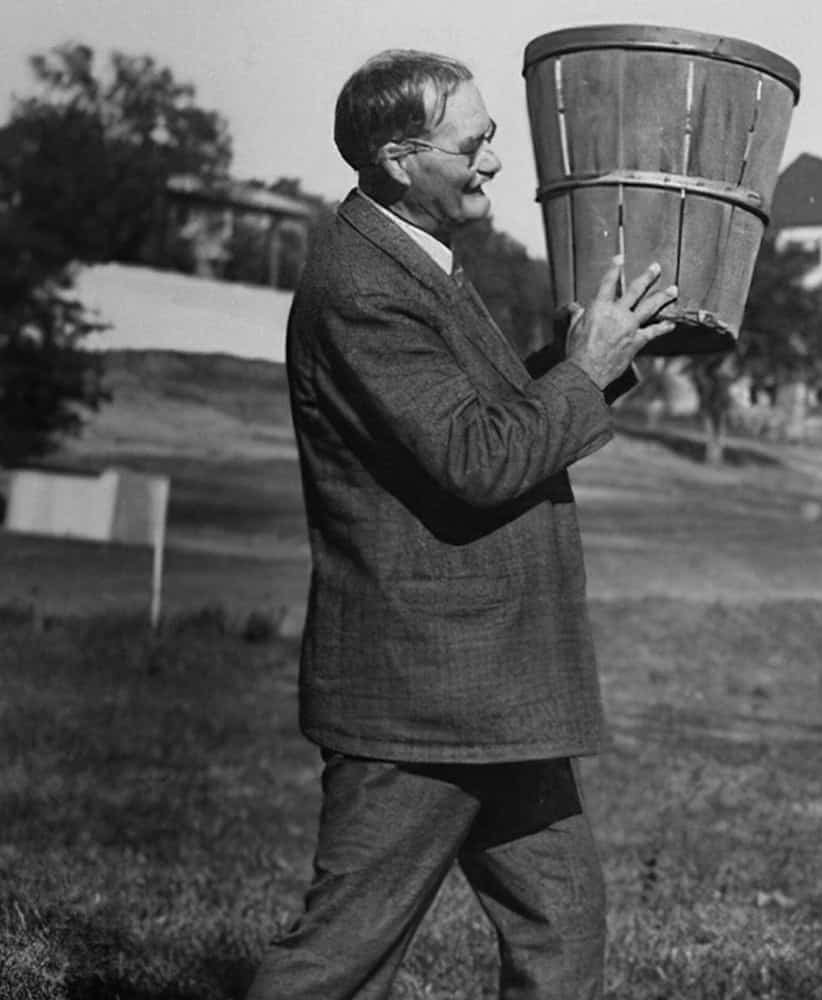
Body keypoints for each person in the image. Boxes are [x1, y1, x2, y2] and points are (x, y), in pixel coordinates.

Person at [247, 50, 678, 999]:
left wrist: (603, 352)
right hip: (422, 696)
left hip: (489, 687)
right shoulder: (362, 286)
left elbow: (474, 417)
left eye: (492, 139)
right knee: (340, 958)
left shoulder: (415, 259)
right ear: (400, 159)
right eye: (474, 144)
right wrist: (584, 372)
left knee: (563, 925)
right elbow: (477, 461)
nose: (494, 163)